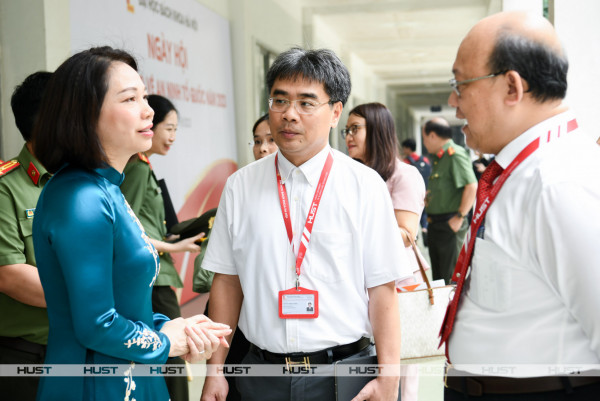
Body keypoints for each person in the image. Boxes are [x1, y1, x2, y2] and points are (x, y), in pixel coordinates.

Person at [200, 47, 411, 401]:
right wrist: (216, 371)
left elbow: (382, 289)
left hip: (343, 376)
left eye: (306, 103)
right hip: (260, 375)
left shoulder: (364, 185)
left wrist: (389, 377)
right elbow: (227, 282)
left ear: (335, 112)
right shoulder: (241, 185)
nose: (289, 115)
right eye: (279, 101)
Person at [31, 46, 231, 400]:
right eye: (129, 98)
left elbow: (127, 305)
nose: (148, 109)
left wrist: (171, 326)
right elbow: (97, 324)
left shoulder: (105, 187)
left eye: (144, 95)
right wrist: (165, 341)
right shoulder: (81, 198)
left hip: (131, 374)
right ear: (85, 115)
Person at [439, 11, 600, 400]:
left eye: (461, 84)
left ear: (512, 87)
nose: (453, 102)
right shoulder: (525, 169)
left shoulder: (557, 182)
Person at [120, 94, 205, 401]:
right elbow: (127, 229)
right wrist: (176, 246)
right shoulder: (139, 169)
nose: (172, 136)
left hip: (159, 271)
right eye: (168, 127)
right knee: (173, 355)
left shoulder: (145, 167)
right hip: (154, 277)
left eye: (175, 129)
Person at [343, 102, 425, 401]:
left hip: (398, 283)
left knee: (398, 368)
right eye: (346, 130)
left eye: (356, 129)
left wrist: (352, 233)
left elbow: (406, 233)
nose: (348, 136)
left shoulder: (404, 175)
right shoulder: (350, 175)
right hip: (358, 283)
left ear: (377, 129)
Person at [0, 71, 52, 401]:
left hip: (82, 347)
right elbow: (10, 275)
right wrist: (93, 298)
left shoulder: (82, 185)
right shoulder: (7, 187)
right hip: (27, 357)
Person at [422, 117, 477, 283]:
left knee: (449, 280)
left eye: (424, 139)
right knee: (439, 280)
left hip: (449, 225)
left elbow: (471, 185)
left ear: (433, 136)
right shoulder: (440, 157)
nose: (425, 144)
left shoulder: (454, 154)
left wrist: (460, 217)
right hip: (436, 225)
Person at [401, 138, 431, 239]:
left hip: (411, 194)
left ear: (408, 148)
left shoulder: (405, 162)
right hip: (425, 190)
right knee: (424, 212)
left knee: (414, 214)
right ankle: (425, 228)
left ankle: (415, 235)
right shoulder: (424, 159)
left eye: (404, 148)